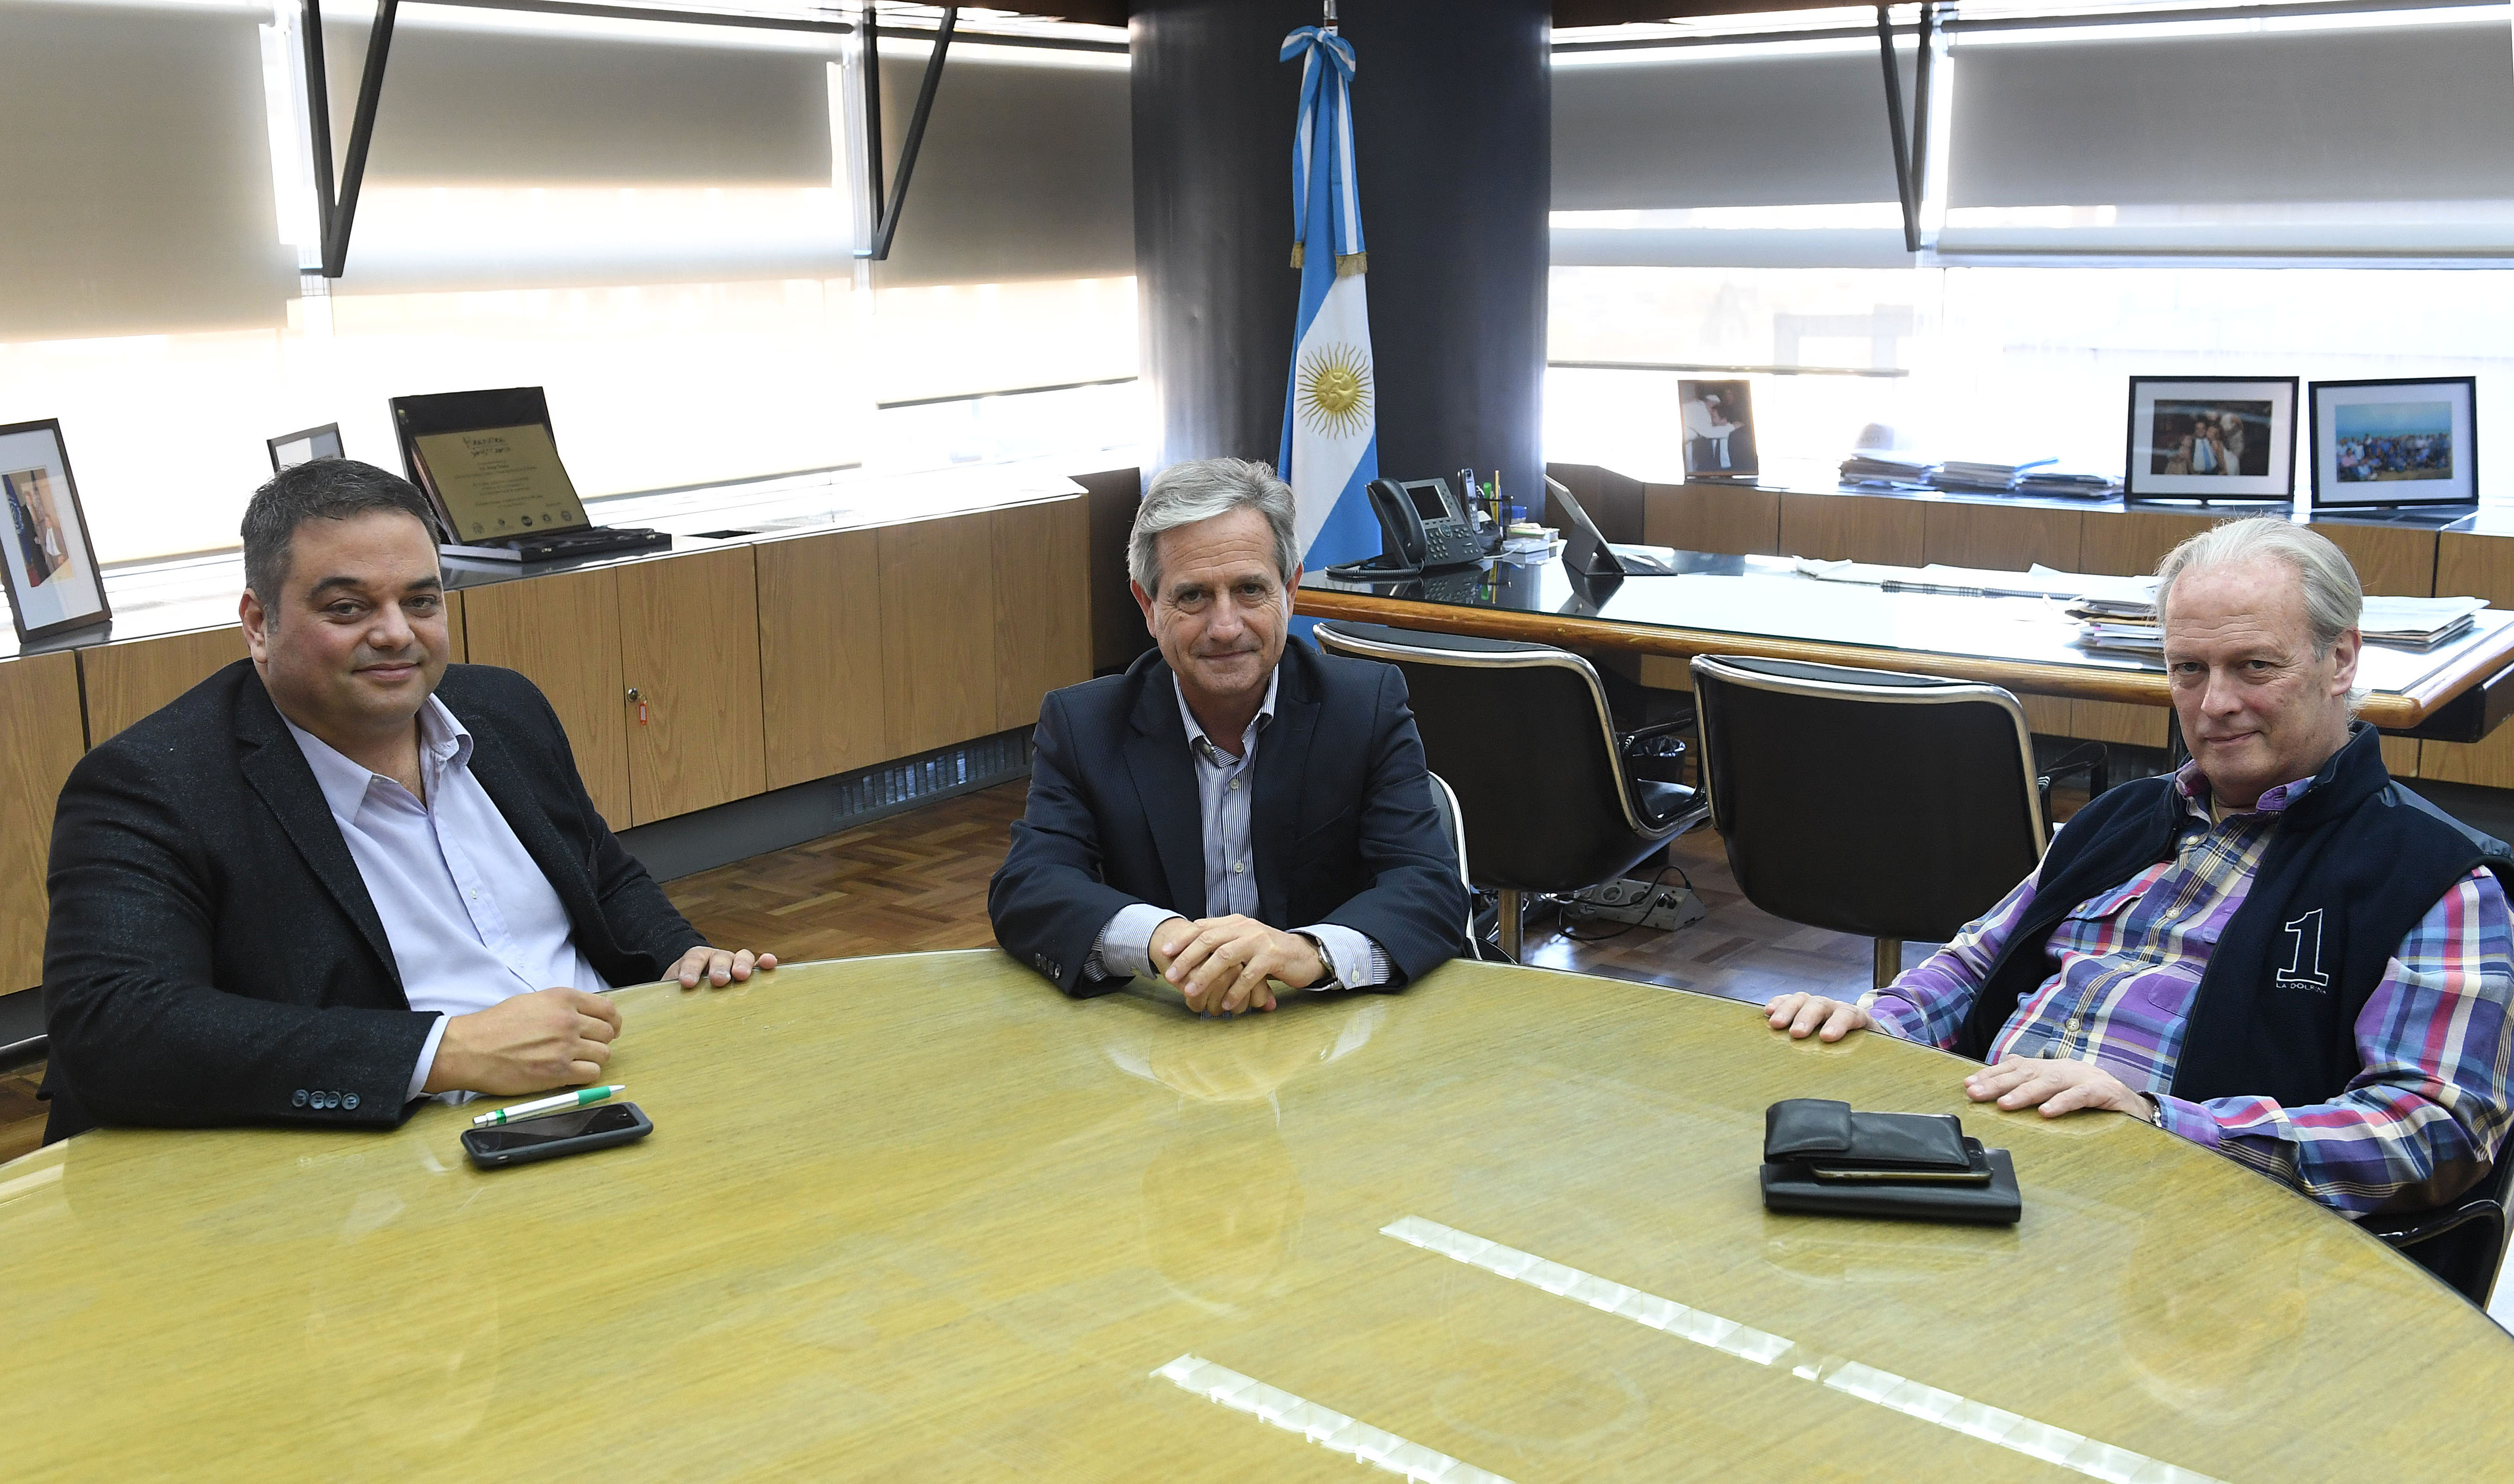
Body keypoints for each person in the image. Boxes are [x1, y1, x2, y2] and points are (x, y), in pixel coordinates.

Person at [1765, 518, 2514, 1223]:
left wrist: (2158, 1121)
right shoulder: (2119, 817)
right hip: (1970, 1169)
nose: (2214, 703)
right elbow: (1975, 963)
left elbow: (2435, 1127)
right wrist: (1872, 1025)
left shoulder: (2438, 882)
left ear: (2339, 659)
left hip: (2184, 1247)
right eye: (2188, 669)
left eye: (2253, 665)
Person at [40, 459, 774, 1140]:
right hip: (396, 1147)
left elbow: (604, 876)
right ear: (260, 624)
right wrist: (442, 1050)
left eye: (420, 600)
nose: (395, 633)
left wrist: (684, 954)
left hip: (617, 1083)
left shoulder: (503, 708)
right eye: (348, 607)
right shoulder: (153, 782)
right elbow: (114, 1026)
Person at [988, 457, 1465, 1016]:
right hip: (1163, 1031)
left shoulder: (1365, 707)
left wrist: (1306, 951)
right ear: (1148, 606)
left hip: (1326, 1027)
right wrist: (1164, 941)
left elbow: (1428, 887)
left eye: (1249, 590)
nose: (1225, 627)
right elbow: (1030, 885)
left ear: (1289, 591)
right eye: (1192, 596)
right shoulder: (1084, 724)